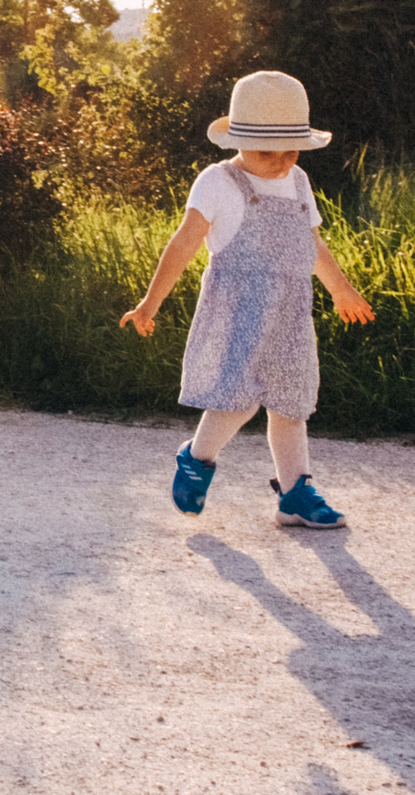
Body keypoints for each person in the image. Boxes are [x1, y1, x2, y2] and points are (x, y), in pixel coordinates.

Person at [119, 70, 375, 528]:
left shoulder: (297, 182)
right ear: (238, 141)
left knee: (291, 401)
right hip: (237, 309)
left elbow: (311, 242)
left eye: (291, 150)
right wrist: (149, 302)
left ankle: (295, 494)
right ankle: (197, 458)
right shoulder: (218, 182)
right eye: (265, 151)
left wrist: (340, 288)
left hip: (290, 313)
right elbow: (184, 244)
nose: (279, 162)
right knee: (237, 398)